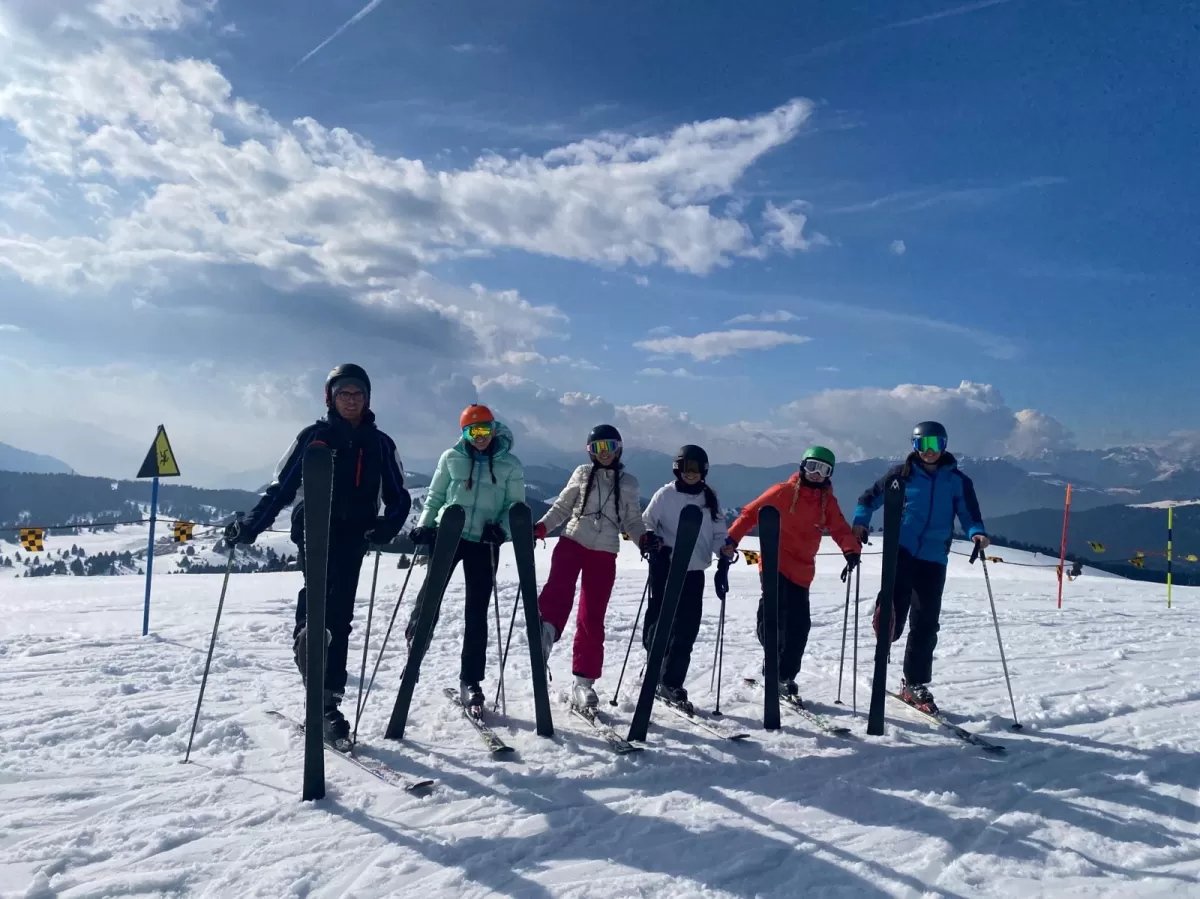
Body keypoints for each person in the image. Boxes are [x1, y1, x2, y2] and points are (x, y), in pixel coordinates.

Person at [225, 364, 411, 746]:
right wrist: (252, 526)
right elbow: (281, 487)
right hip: (313, 529)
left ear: (367, 398)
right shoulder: (313, 438)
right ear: (331, 397)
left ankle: (328, 701)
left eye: (358, 394)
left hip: (355, 535)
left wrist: (386, 527)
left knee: (340, 617)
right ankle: (306, 639)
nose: (351, 400)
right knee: (319, 599)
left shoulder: (380, 444)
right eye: (344, 394)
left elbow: (399, 495)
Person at [852, 420, 989, 714]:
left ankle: (914, 683)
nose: (929, 451)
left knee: (926, 622)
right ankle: (885, 625)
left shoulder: (957, 481)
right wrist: (860, 523)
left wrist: (976, 531)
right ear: (914, 447)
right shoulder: (900, 476)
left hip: (934, 556)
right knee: (895, 606)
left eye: (935, 445)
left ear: (945, 445)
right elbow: (869, 498)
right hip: (901, 549)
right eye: (923, 445)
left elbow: (968, 513)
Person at [405, 404, 525, 711]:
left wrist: (502, 531)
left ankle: (471, 680)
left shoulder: (510, 464)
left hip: (485, 541)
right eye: (473, 431)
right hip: (450, 535)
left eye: (485, 430)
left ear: (494, 430)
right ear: (464, 433)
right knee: (430, 596)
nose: (480, 437)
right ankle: (415, 646)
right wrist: (424, 526)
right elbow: (435, 496)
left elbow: (515, 506)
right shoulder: (451, 457)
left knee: (476, 611)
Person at [728, 446, 861, 702]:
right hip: (774, 563)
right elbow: (749, 514)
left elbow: (840, 529)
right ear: (802, 465)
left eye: (823, 470)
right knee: (775, 621)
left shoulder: (827, 503)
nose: (816, 474)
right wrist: (731, 540)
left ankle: (783, 677)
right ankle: (773, 663)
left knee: (799, 627)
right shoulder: (783, 492)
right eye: (812, 466)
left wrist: (850, 551)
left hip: (802, 570)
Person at [534, 424, 652, 710]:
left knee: (592, 615)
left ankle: (583, 682)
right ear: (590, 452)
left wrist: (645, 541)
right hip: (572, 540)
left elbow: (633, 521)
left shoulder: (629, 482)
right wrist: (540, 527)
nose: (604, 454)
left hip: (605, 550)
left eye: (609, 447)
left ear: (618, 448)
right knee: (557, 592)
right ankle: (544, 636)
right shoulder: (582, 473)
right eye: (598, 448)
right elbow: (562, 507)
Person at [640, 445, 737, 712]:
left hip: (694, 573)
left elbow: (718, 534)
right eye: (686, 468)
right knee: (661, 624)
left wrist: (724, 550)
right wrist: (652, 540)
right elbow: (647, 521)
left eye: (695, 468)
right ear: (677, 469)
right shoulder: (665, 495)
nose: (690, 473)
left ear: (703, 470)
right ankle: (655, 668)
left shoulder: (710, 499)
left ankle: (672, 683)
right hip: (666, 569)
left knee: (686, 631)